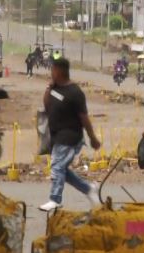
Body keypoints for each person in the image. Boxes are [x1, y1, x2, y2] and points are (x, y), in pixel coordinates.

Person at [38, 56, 102, 212]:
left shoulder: (75, 92)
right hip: (56, 135)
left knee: (57, 166)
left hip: (70, 136)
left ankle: (55, 199)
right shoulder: (54, 89)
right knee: (62, 170)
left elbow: (84, 118)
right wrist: (49, 88)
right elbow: (46, 105)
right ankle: (89, 189)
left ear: (59, 71)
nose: (51, 72)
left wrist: (93, 138)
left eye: (52, 69)